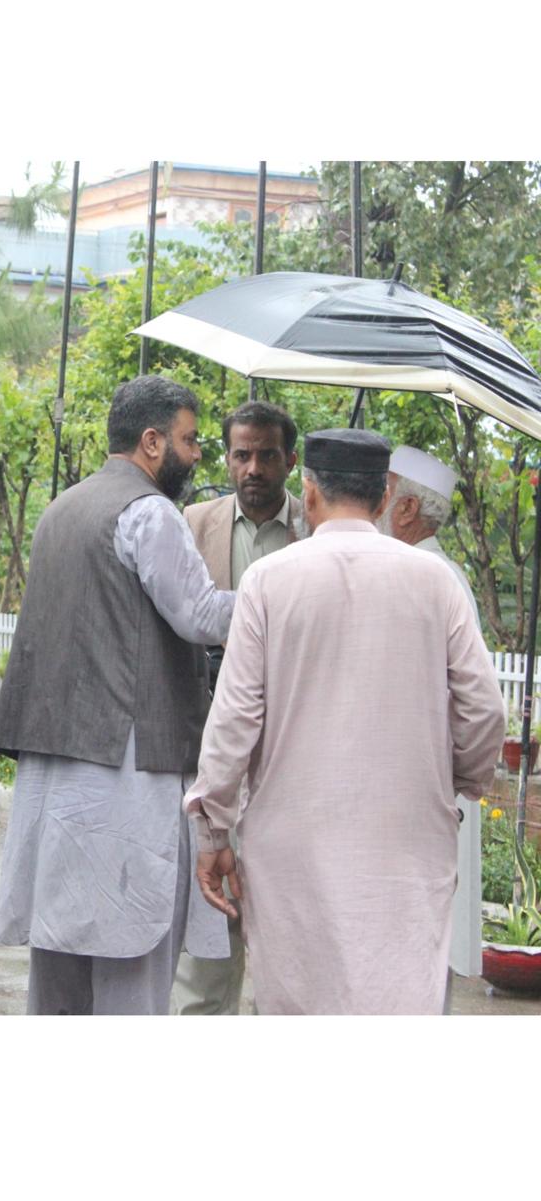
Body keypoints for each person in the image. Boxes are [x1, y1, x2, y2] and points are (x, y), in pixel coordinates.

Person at [186, 429, 503, 1015]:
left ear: (308, 495)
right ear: (383, 499)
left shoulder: (268, 580)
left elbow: (232, 724)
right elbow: (485, 710)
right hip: (407, 846)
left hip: (291, 852)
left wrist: (212, 832)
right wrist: (456, 781)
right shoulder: (436, 582)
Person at [0, 375, 235, 1015]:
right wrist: (280, 594)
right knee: (131, 983)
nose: (198, 454)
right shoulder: (149, 511)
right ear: (152, 442)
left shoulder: (61, 508)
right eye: (189, 439)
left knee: (60, 983)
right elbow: (201, 615)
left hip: (57, 773)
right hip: (122, 776)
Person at [173, 399, 303, 1017]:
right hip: (213, 745)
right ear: (226, 457)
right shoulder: (191, 525)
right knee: (208, 944)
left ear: (291, 461)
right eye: (241, 453)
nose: (252, 467)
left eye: (266, 454)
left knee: (292, 932)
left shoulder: (318, 530)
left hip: (295, 757)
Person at [377, 443, 482, 991]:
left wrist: (454, 778)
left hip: (419, 795)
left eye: (383, 488)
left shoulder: (426, 576)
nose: (371, 498)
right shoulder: (437, 572)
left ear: (407, 510)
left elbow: (478, 708)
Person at [378, 445, 477, 620]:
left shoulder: (425, 574)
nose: (374, 506)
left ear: (408, 508)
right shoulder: (443, 573)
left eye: (384, 494)